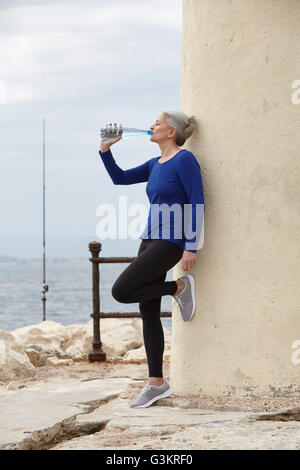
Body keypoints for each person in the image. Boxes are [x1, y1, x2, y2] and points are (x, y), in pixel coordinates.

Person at [98, 110, 205, 408]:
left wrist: (191, 247)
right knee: (148, 311)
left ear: (171, 132)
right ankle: (156, 383)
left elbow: (197, 201)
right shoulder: (154, 164)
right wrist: (106, 149)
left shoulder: (184, 160)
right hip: (149, 239)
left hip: (171, 241)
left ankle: (178, 288)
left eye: (157, 123)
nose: (150, 127)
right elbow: (119, 179)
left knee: (121, 291)